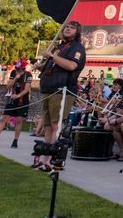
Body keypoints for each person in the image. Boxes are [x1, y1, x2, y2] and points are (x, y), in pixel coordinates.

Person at [32, 21, 86, 172]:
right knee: (48, 126)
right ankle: (46, 160)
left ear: (77, 32)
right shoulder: (59, 46)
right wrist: (41, 66)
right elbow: (53, 65)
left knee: (56, 125)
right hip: (48, 88)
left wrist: (52, 56)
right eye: (66, 27)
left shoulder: (77, 47)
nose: (67, 29)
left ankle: (55, 159)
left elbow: (71, 66)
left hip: (62, 89)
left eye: (72, 27)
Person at [0, 58, 32, 148]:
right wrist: (16, 78)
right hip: (11, 99)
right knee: (4, 118)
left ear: (23, 69)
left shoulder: (28, 75)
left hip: (22, 100)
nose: (17, 70)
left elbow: (27, 89)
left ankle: (15, 141)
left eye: (19, 69)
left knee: (18, 120)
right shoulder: (13, 73)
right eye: (16, 69)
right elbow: (8, 86)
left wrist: (18, 95)